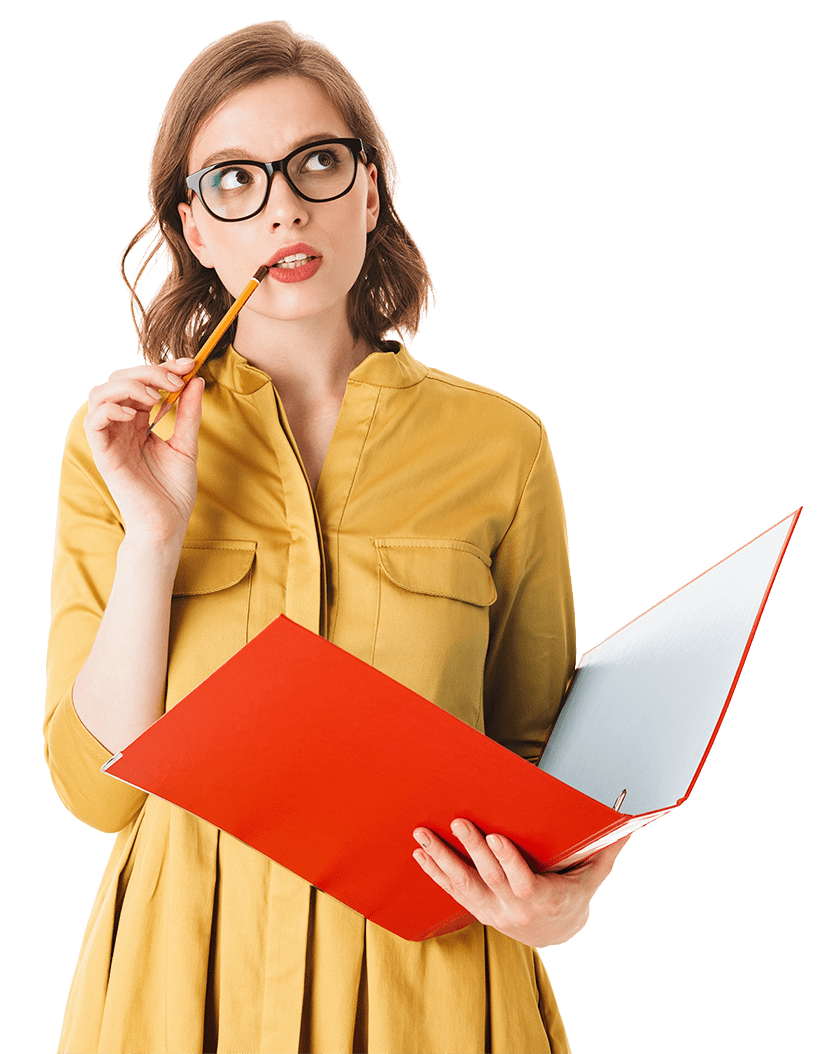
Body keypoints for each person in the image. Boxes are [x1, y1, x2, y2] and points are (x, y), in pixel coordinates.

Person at [44, 19, 628, 1054]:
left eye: (318, 161)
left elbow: (551, 776)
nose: (284, 206)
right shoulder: (115, 450)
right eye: (235, 179)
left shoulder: (502, 445)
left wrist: (562, 905)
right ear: (192, 225)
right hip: (181, 992)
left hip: (435, 991)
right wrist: (153, 535)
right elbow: (96, 792)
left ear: (369, 192)